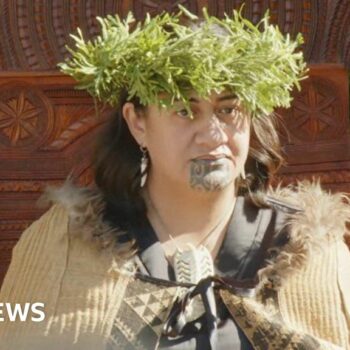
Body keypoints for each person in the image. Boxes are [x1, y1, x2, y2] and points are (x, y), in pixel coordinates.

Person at [0, 6, 349, 350]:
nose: (213, 136)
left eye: (228, 110)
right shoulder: (65, 242)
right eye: (185, 110)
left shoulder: (309, 247)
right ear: (138, 123)